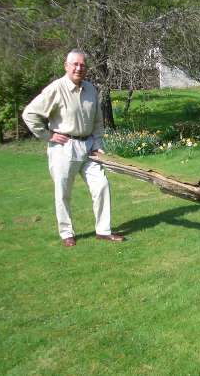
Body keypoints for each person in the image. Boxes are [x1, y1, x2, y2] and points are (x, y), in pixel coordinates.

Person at [22, 49, 124, 247]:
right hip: (64, 147)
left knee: (101, 185)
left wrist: (98, 144)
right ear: (66, 66)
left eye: (82, 65)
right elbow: (29, 114)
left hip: (89, 147)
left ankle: (103, 231)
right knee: (63, 192)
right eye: (75, 64)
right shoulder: (56, 89)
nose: (79, 68)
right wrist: (47, 135)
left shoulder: (91, 89)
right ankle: (66, 233)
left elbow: (97, 121)